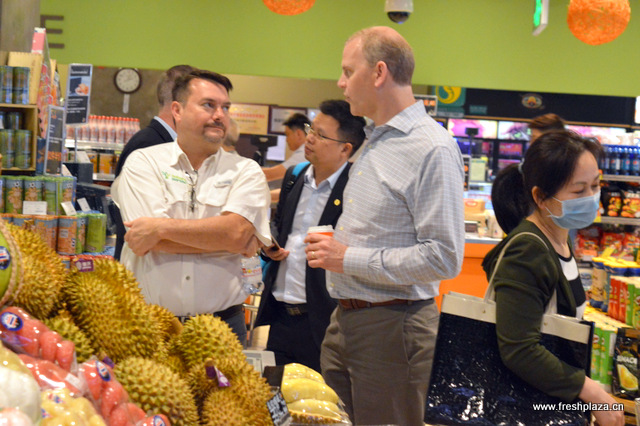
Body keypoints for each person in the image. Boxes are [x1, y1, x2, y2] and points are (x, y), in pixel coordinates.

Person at [304, 26, 465, 425]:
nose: (340, 83)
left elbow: (443, 258)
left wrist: (347, 258)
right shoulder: (375, 139)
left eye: (348, 71)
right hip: (346, 319)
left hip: (394, 328)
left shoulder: (432, 147)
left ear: (379, 73)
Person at [112, 70, 271, 344]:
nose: (219, 115)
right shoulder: (143, 162)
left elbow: (235, 233)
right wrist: (227, 241)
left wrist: (160, 229)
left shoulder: (246, 171)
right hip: (150, 324)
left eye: (225, 107)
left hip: (222, 327)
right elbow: (142, 241)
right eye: (208, 105)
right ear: (178, 110)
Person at [483, 130, 624, 426]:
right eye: (578, 190)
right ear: (540, 197)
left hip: (549, 403)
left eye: (595, 185)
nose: (591, 197)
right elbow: (520, 349)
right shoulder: (528, 250)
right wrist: (594, 394)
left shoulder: (559, 240)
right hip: (526, 408)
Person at [255, 100, 365, 372]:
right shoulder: (295, 176)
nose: (310, 138)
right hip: (280, 313)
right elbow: (280, 225)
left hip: (323, 320)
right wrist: (269, 244)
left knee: (320, 395)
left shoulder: (356, 189)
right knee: (275, 391)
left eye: (321, 134)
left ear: (345, 148)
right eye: (310, 129)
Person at [112, 64, 194, 260]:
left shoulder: (168, 143)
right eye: (203, 104)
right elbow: (142, 230)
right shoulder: (148, 145)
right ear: (178, 105)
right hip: (143, 267)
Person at [263, 113, 310, 203]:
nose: (286, 139)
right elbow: (288, 192)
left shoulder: (304, 154)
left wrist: (244, 171)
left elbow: (270, 174)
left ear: (299, 134)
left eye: (287, 135)